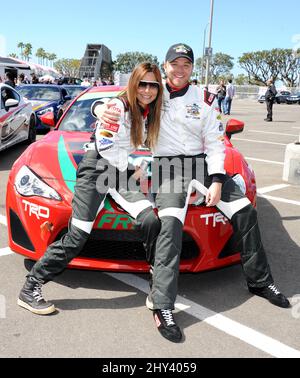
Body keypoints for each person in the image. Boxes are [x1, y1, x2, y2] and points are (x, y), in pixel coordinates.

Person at [99, 43, 290, 344]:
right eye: (174, 64)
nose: (180, 69)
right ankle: (162, 306)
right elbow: (124, 103)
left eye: (186, 64)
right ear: (165, 66)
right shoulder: (152, 92)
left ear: (191, 68)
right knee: (170, 225)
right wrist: (108, 108)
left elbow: (215, 142)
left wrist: (216, 180)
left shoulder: (205, 97)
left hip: (202, 164)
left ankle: (260, 282)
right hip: (167, 167)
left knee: (245, 211)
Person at [17, 62, 163, 316]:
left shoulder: (148, 111)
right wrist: (132, 167)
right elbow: (105, 145)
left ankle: (156, 278)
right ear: (133, 84)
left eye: (153, 84)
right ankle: (31, 287)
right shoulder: (118, 106)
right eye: (143, 83)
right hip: (97, 169)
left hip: (117, 171)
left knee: (150, 219)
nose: (148, 89)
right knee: (77, 235)